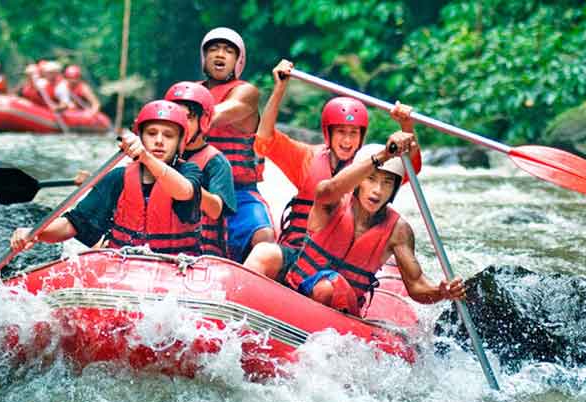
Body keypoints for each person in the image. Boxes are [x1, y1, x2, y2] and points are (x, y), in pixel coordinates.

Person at [245, 130, 465, 316]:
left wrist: (441, 291)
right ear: (359, 180)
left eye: (387, 183)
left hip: (337, 307)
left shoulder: (398, 231)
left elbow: (416, 285)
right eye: (371, 179)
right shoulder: (332, 200)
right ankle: (238, 311)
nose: (378, 191)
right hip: (297, 283)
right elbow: (328, 189)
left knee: (327, 287)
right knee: (265, 252)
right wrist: (383, 155)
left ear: (394, 189)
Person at [255, 59, 422, 251]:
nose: (347, 141)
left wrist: (406, 125)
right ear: (328, 133)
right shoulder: (306, 157)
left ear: (362, 136)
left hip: (336, 258)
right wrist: (280, 88)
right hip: (297, 249)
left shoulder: (372, 163)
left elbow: (412, 166)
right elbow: (264, 139)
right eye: (341, 132)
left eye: (353, 133)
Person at [10, 100, 204, 255]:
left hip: (176, 266)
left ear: (180, 142)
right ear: (141, 137)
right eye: (152, 133)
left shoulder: (190, 173)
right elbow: (74, 223)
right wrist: (36, 234)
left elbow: (184, 192)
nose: (159, 141)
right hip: (125, 264)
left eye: (168, 135)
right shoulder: (117, 178)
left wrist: (146, 156)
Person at [200, 27, 274, 262]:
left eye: (228, 51)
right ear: (204, 58)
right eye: (213, 49)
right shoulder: (190, 92)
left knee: (263, 235)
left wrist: (181, 115)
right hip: (193, 187)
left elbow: (217, 115)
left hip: (238, 191)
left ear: (238, 60)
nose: (220, 55)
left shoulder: (246, 92)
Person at [164, 81, 236, 257]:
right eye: (176, 116)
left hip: (201, 253)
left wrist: (185, 185)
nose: (180, 123)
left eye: (188, 117)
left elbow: (215, 210)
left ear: (203, 122)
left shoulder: (216, 162)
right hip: (161, 247)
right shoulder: (157, 155)